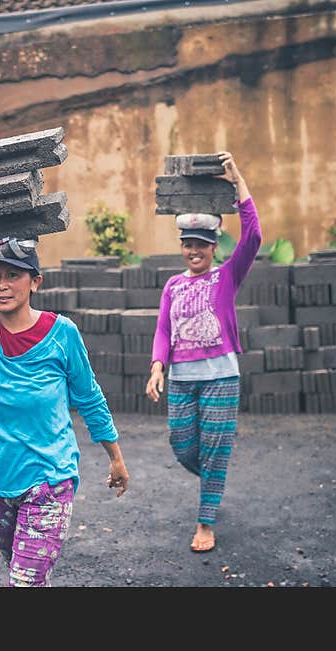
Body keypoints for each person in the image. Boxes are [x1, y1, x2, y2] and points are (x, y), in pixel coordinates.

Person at [0, 148, 130, 586]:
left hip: (49, 482)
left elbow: (88, 395)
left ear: (35, 280)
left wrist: (114, 456)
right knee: (28, 577)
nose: (1, 284)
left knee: (24, 583)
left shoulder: (62, 334)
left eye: (13, 274)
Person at [145, 151, 261, 553]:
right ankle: (215, 476)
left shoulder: (227, 276)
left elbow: (254, 237)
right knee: (182, 444)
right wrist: (158, 366)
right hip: (182, 378)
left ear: (214, 247)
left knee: (214, 447)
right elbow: (163, 329)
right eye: (187, 244)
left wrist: (238, 182)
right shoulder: (172, 286)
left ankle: (205, 521)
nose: (193, 250)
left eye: (201, 244)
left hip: (221, 378)